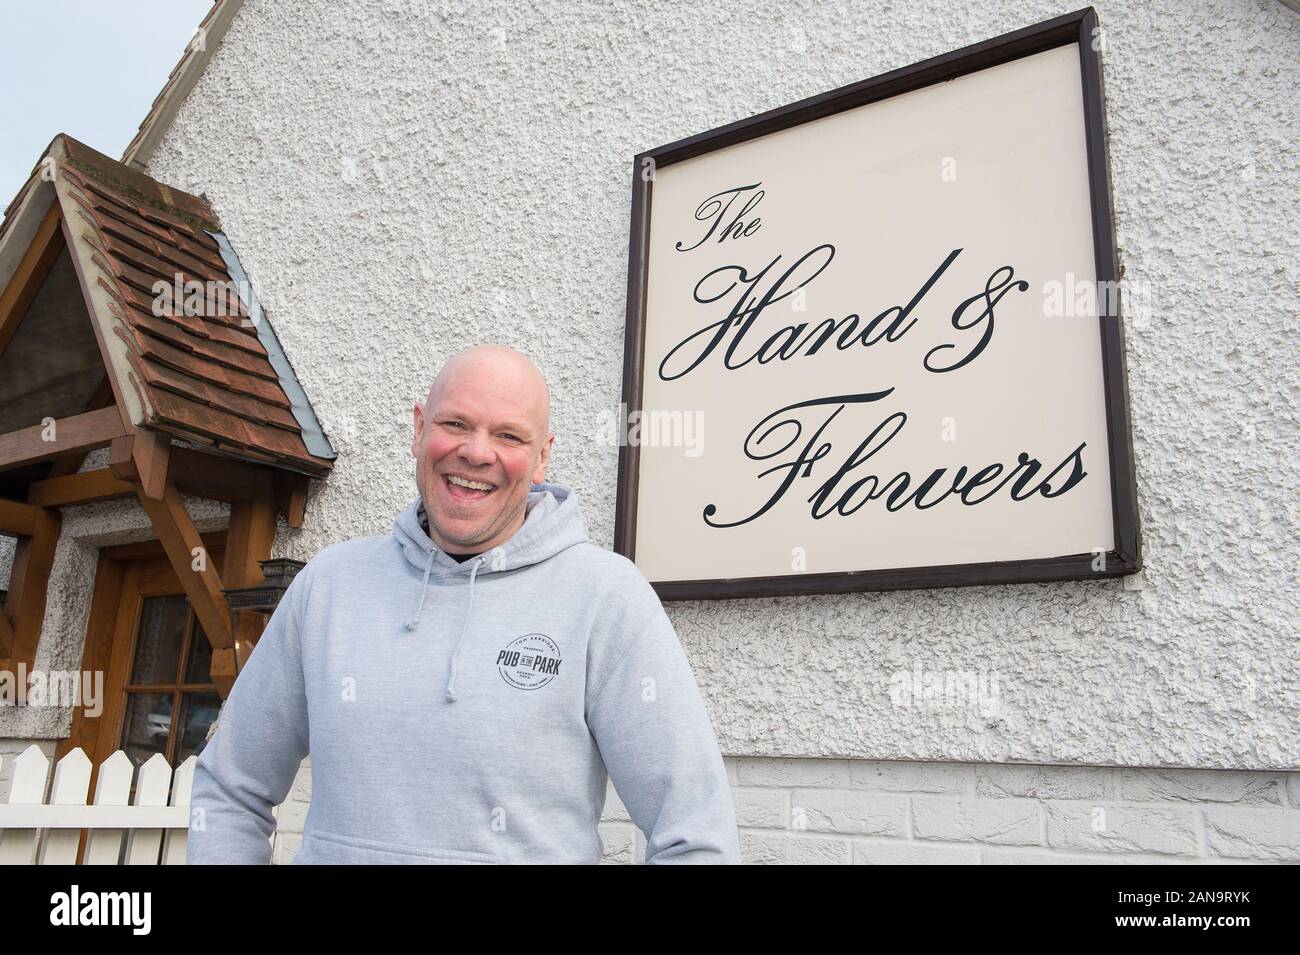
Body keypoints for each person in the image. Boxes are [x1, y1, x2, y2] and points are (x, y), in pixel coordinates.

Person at [187, 344, 740, 864]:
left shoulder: (606, 598)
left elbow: (694, 833)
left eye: (509, 436)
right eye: (455, 424)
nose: (476, 452)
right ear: (418, 428)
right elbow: (231, 787)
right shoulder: (329, 586)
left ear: (542, 457)